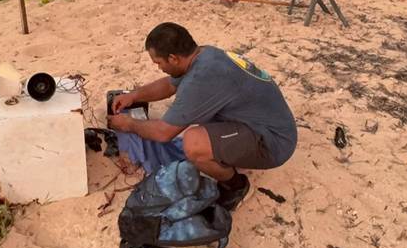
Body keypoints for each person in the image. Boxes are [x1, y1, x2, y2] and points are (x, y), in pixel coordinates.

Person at [107, 22, 297, 212]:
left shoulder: (202, 78)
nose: (158, 68)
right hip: (267, 123)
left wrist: (129, 124)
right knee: (196, 123)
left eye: (158, 62)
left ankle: (237, 186)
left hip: (274, 143)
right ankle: (230, 152)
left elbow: (163, 132)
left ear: (173, 58)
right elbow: (169, 85)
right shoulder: (205, 55)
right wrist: (134, 96)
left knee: (194, 143)